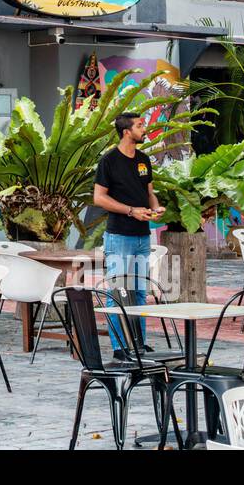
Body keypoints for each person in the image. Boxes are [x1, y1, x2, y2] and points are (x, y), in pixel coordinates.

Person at [93, 111, 166, 359]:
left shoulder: (143, 159)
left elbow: (149, 192)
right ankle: (119, 348)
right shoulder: (109, 161)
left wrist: (155, 208)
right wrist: (131, 211)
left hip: (143, 236)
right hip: (119, 236)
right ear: (127, 132)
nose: (144, 129)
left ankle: (139, 343)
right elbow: (99, 198)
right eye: (140, 125)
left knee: (139, 292)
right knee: (119, 292)